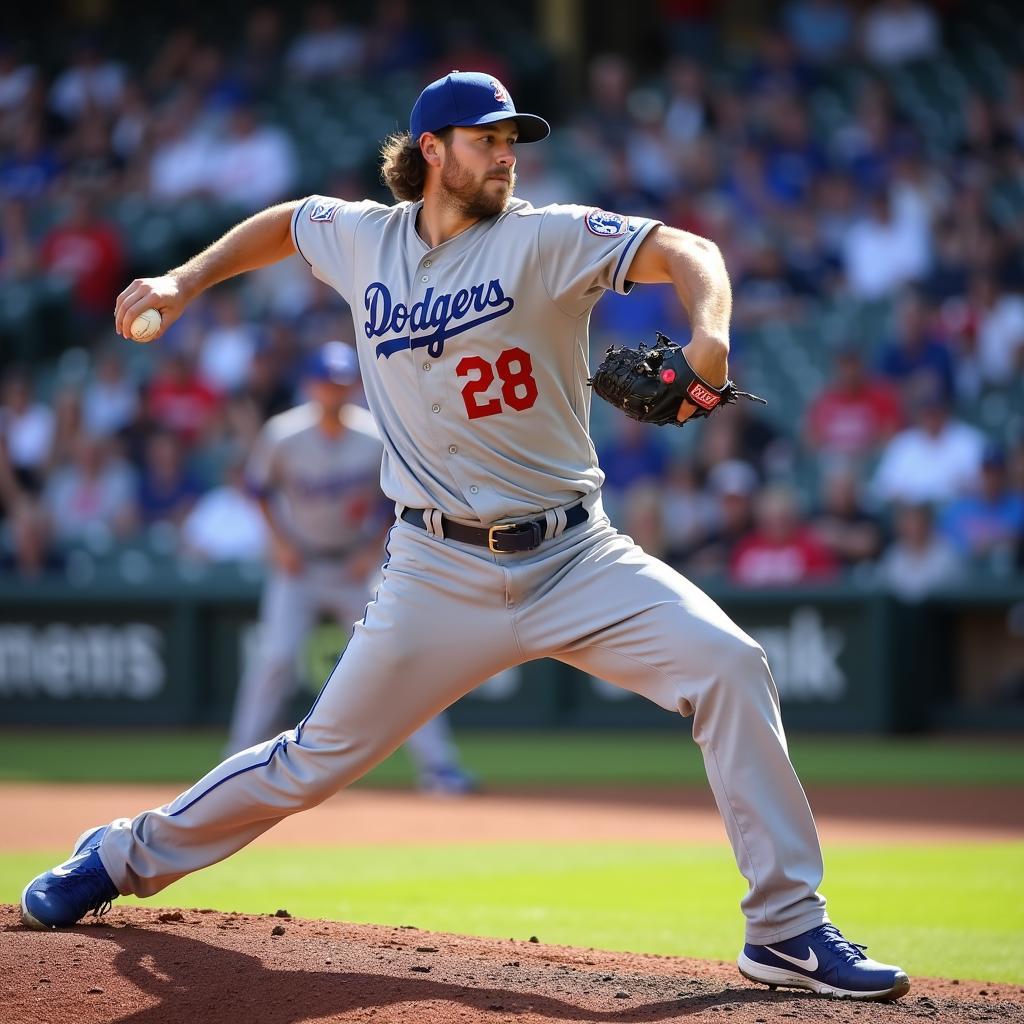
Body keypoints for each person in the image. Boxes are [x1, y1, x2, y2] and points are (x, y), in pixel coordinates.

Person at [22, 71, 909, 1002]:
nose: (508, 154)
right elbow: (289, 221)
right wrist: (184, 277)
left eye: (513, 139)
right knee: (313, 761)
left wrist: (711, 337)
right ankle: (119, 858)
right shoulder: (366, 238)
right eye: (488, 138)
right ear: (433, 151)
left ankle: (785, 930)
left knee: (730, 665)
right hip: (434, 568)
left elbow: (689, 248)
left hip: (576, 555)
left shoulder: (545, 237)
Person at [226, 338, 474, 792]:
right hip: (299, 565)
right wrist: (278, 543)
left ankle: (439, 767)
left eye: (341, 384)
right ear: (310, 385)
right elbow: (258, 490)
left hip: (356, 566)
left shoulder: (373, 434)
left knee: (399, 658)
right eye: (325, 383)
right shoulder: (283, 434)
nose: (333, 392)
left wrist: (373, 548)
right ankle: (232, 766)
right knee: (275, 660)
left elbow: (398, 496)